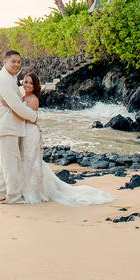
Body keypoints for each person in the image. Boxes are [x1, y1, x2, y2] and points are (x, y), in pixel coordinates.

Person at [14, 71, 114, 206]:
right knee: (27, 159)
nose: (27, 85)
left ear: (35, 86)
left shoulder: (32, 99)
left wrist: (10, 108)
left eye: (31, 83)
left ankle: (34, 191)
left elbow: (27, 117)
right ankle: (25, 188)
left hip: (30, 132)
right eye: (25, 81)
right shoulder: (24, 97)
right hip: (25, 131)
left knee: (31, 160)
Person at [0, 50, 38, 204]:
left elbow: (16, 103)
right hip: (5, 127)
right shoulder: (4, 79)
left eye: (19, 62)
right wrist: (33, 116)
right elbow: (16, 105)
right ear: (5, 62)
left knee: (5, 162)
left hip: (10, 127)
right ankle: (14, 197)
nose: (17, 64)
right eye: (13, 61)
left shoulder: (10, 78)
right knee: (11, 164)